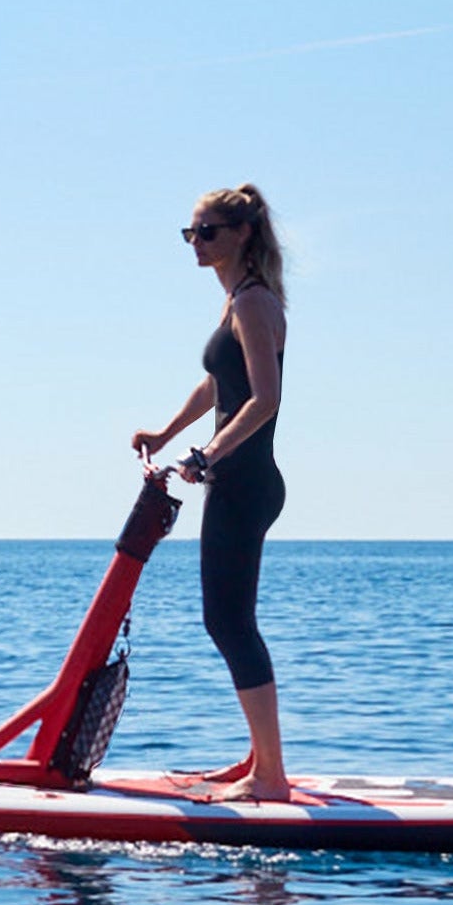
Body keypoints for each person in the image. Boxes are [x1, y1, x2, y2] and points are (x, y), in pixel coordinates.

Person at [129, 184, 291, 799]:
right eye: (190, 233)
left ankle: (269, 778)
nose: (196, 243)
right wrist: (167, 431)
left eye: (208, 232)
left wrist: (209, 453)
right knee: (231, 620)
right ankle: (260, 762)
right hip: (238, 479)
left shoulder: (252, 304)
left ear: (241, 234)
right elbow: (218, 386)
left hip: (244, 482)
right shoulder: (237, 303)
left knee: (227, 622)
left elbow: (264, 399)